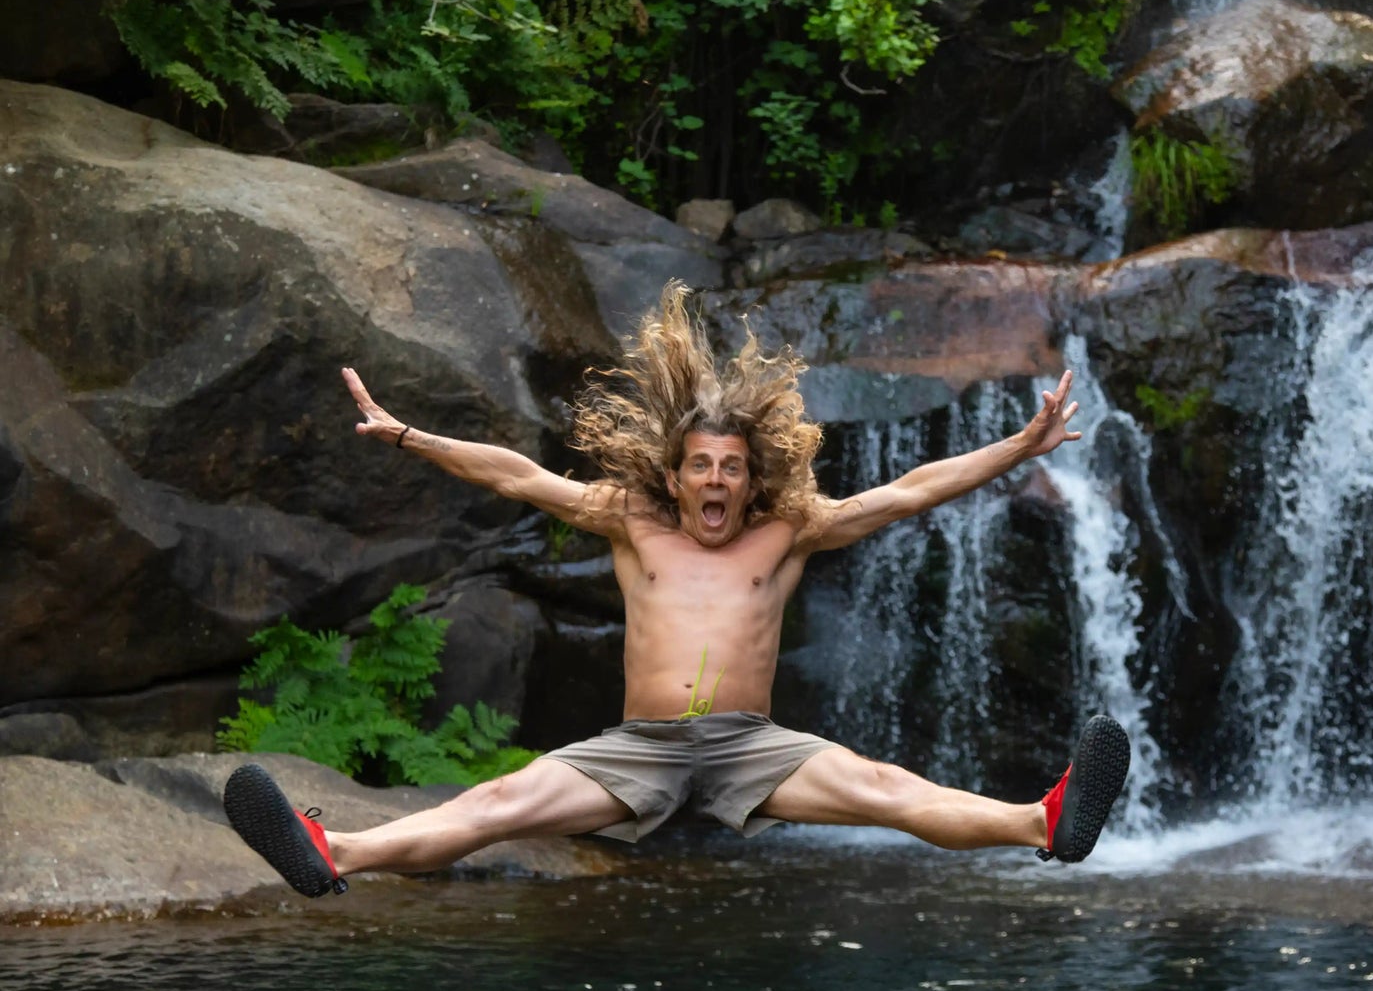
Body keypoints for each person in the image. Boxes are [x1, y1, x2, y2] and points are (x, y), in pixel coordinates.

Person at [223, 283, 1130, 897]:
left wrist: (1019, 446)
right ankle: (333, 849)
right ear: (674, 473)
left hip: (752, 746)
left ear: (750, 475)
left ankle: (1042, 821)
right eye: (700, 465)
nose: (716, 480)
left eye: (731, 467)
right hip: (640, 747)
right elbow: (517, 476)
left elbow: (909, 491)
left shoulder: (790, 529)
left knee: (886, 786)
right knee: (494, 807)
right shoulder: (631, 520)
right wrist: (410, 436)